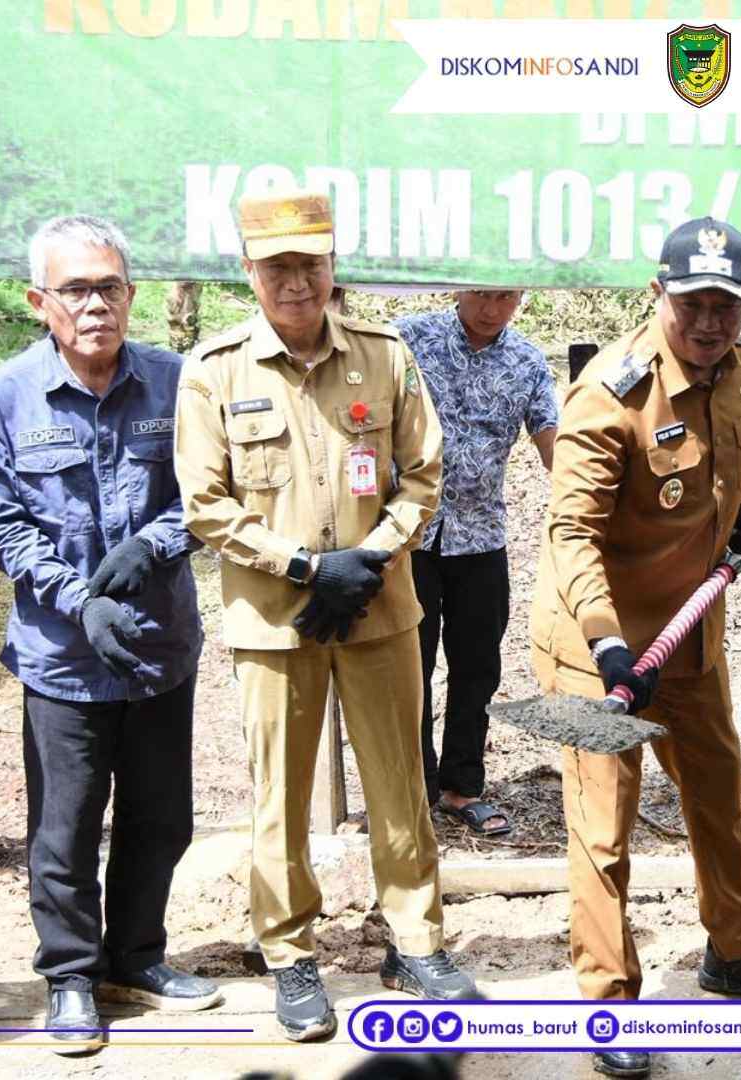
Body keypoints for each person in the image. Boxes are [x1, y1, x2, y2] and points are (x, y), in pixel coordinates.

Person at [174, 188, 478, 1044]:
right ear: (249, 272)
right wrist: (309, 567)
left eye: (310, 263)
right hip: (275, 621)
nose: (296, 282)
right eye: (277, 267)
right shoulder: (215, 369)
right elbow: (204, 505)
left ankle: (416, 943)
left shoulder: (385, 356)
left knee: (400, 786)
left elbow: (422, 475)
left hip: (380, 610)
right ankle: (290, 954)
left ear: (332, 263)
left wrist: (371, 557)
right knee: (281, 795)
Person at [530, 217, 741, 1079]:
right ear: (656, 294)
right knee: (604, 832)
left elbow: (723, 465)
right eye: (692, 303)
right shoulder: (606, 397)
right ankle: (608, 1003)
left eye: (726, 307)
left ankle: (734, 953)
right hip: (603, 653)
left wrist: (737, 519)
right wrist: (609, 645)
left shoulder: (738, 365)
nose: (709, 323)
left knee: (717, 799)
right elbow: (570, 533)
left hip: (689, 636)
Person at [0, 215, 222, 1055]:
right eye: (74, 290)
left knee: (161, 818)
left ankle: (135, 958)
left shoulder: (177, 382)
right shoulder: (4, 396)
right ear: (41, 301)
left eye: (109, 287)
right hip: (62, 656)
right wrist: (79, 598)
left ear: (131, 295)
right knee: (65, 829)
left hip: (158, 643)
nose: (94, 305)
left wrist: (156, 542)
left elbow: (212, 490)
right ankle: (70, 977)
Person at [393, 290, 558, 837]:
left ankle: (461, 788)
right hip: (407, 538)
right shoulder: (407, 340)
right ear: (459, 289)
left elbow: (552, 441)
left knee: (477, 668)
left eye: (505, 297)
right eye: (482, 294)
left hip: (481, 539)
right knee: (406, 667)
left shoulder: (527, 361)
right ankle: (410, 787)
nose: (492, 308)